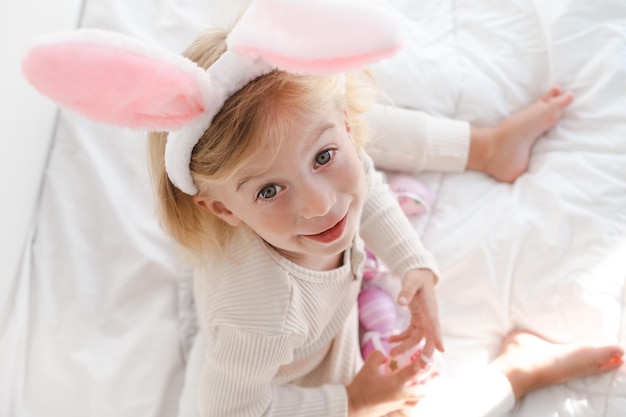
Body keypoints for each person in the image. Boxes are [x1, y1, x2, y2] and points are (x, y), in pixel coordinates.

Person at [21, 1, 622, 416]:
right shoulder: (256, 316)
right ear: (223, 210)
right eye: (267, 191)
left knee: (362, 126)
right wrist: (352, 401)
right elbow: (232, 409)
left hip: (329, 292)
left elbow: (364, 185)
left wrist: (411, 264)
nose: (320, 203)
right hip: (298, 367)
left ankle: (485, 147)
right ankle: (517, 371)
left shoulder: (333, 169)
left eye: (325, 157)